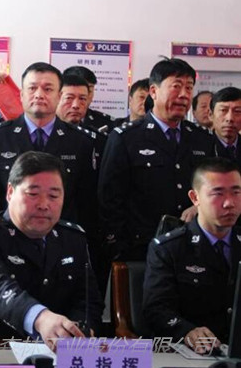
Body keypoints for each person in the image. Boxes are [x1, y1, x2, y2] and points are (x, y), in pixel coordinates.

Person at [0, 152, 103, 348]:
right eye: (33, 194)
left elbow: (88, 301)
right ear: (10, 192)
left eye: (53, 196)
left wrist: (76, 331)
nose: (44, 205)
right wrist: (40, 318)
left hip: (53, 350)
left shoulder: (73, 238)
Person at [99, 58, 215, 261]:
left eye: (189, 88)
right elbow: (110, 199)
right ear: (153, 91)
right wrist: (119, 247)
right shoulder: (126, 138)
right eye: (176, 86)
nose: (183, 95)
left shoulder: (201, 138)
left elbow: (212, 186)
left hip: (193, 244)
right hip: (142, 248)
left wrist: (199, 206)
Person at [0, 62, 97, 232]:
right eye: (32, 88)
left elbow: (86, 200)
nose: (39, 95)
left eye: (48, 89)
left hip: (61, 237)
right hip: (5, 235)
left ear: (59, 96)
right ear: (21, 95)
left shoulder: (81, 141)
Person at [143, 157, 241, 354]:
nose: (229, 203)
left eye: (236, 192)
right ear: (195, 198)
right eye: (218, 193)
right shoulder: (169, 248)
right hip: (192, 352)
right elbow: (156, 309)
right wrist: (186, 331)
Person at [64, 65, 114, 133]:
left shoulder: (106, 123)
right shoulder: (50, 121)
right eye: (70, 97)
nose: (85, 96)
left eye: (89, 91)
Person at [211, 87, 241, 164]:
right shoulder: (199, 145)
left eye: (237, 111)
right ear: (211, 115)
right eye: (223, 110)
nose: (230, 118)